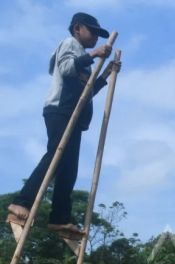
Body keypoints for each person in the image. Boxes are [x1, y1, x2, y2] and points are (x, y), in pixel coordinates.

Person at [6, 13, 119, 240]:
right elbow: (67, 68)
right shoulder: (71, 45)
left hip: (74, 116)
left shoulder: (85, 64)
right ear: (77, 28)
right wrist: (94, 55)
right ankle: (21, 203)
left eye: (99, 35)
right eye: (93, 31)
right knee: (55, 156)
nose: (96, 37)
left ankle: (59, 218)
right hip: (60, 110)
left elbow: (87, 92)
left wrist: (107, 73)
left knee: (69, 168)